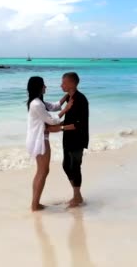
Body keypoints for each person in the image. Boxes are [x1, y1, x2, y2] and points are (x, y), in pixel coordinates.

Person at [26, 76, 75, 212]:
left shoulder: (38, 102)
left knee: (41, 171)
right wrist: (67, 109)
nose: (45, 87)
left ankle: (35, 204)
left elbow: (54, 106)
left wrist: (66, 96)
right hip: (39, 140)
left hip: (39, 138)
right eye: (44, 85)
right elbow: (52, 121)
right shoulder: (36, 104)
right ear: (39, 87)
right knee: (43, 171)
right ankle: (35, 205)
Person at [48, 72, 89, 208]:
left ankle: (77, 197)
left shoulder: (80, 99)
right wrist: (57, 125)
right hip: (68, 137)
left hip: (78, 138)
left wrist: (59, 128)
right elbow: (63, 111)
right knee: (66, 166)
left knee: (75, 167)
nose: (61, 85)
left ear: (72, 83)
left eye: (64, 83)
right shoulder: (69, 98)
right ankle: (77, 195)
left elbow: (79, 124)